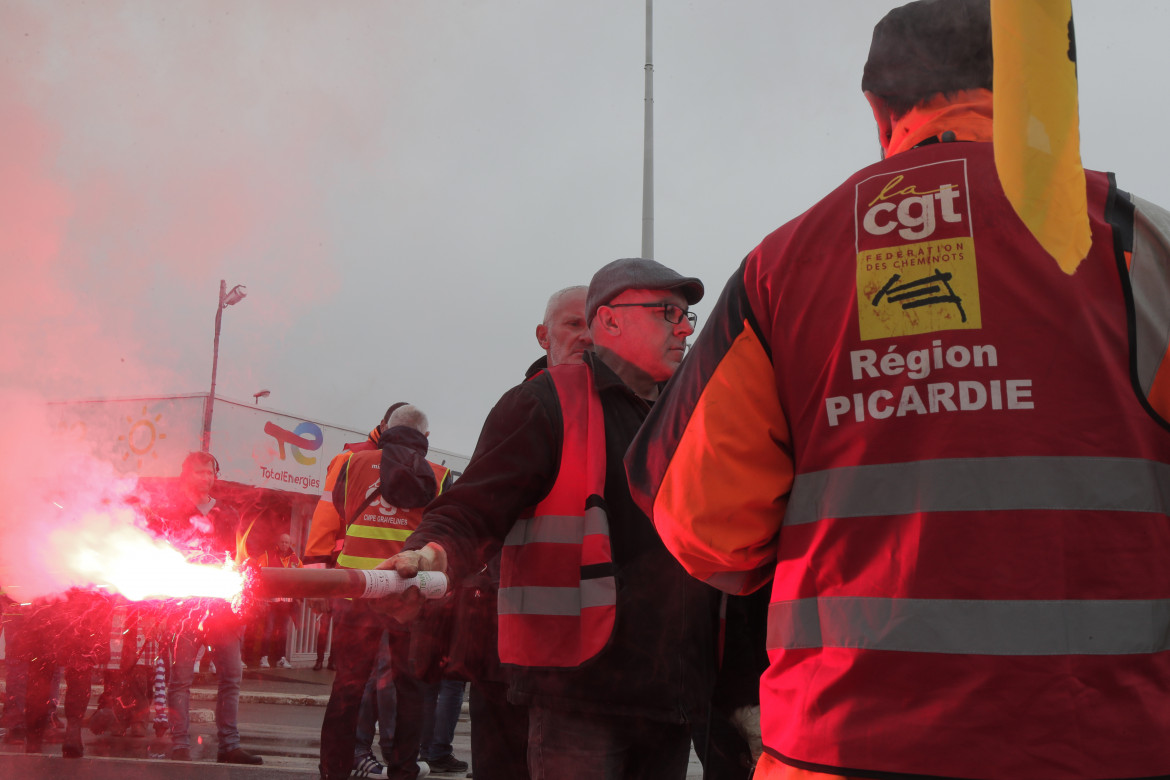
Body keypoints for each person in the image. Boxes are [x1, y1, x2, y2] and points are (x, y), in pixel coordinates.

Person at [625, 2, 1170, 780]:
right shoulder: (1143, 249)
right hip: (1107, 746)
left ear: (879, 109)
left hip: (840, 748)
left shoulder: (783, 268)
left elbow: (704, 522)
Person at [382, 258, 722, 780]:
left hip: (671, 696)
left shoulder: (686, 416)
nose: (683, 328)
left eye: (687, 318)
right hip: (580, 696)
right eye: (667, 312)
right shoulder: (544, 403)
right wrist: (433, 553)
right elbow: (474, 507)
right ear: (609, 321)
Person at [318, 404, 452, 780]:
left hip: (357, 590)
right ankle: (404, 769)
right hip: (407, 597)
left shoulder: (350, 463)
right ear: (425, 439)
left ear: (385, 429)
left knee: (347, 685)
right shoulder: (440, 476)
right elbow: (441, 534)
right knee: (409, 689)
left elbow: (337, 515)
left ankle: (333, 770)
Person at [148, 451, 262, 765]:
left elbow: (239, 557)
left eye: (210, 472)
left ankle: (229, 746)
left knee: (231, 677)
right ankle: (180, 744)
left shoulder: (228, 512)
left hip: (223, 610)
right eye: (200, 472)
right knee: (181, 678)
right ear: (187, 475)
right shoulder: (170, 512)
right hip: (184, 610)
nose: (206, 477)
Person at [252, 533, 303, 669]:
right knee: (267, 630)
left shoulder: (296, 560)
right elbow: (257, 574)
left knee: (283, 632)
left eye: (287, 542)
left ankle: (281, 658)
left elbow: (303, 579)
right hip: (271, 602)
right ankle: (264, 657)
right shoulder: (267, 557)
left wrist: (298, 598)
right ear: (277, 542)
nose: (284, 545)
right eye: (282, 542)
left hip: (286, 604)